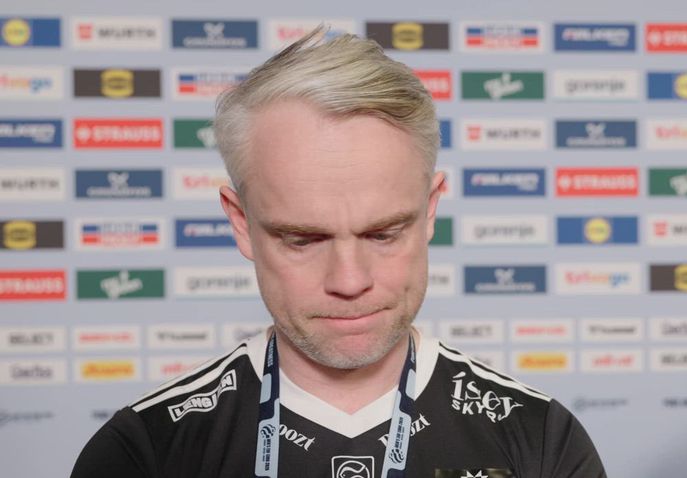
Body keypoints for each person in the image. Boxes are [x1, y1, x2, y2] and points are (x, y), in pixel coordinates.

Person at [70, 28, 607, 478]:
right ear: (240, 222)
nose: (349, 281)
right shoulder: (145, 450)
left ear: (430, 210)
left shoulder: (541, 439)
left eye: (383, 233)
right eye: (302, 239)